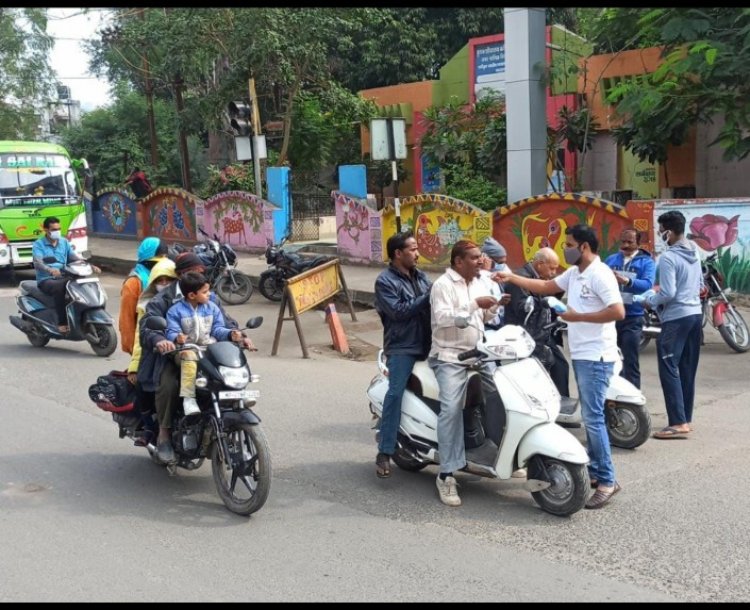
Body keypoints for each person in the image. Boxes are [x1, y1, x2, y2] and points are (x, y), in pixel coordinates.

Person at [496, 224, 625, 510]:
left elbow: (618, 311)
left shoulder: (599, 274)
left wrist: (577, 317)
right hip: (582, 354)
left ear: (583, 247)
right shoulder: (576, 273)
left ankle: (606, 480)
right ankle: (595, 472)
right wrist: (512, 276)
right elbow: (544, 286)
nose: (564, 248)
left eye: (568, 244)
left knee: (592, 418)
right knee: (593, 416)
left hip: (596, 356)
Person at [140, 251, 255, 463]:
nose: (203, 276)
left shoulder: (209, 299)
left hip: (207, 352)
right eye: (197, 272)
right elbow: (148, 327)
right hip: (173, 355)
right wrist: (162, 340)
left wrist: (238, 335)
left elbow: (223, 324)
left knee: (225, 376)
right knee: (169, 385)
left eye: (202, 272)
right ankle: (164, 435)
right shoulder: (165, 300)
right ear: (184, 275)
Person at [429, 240, 503, 507]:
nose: (480, 261)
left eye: (480, 257)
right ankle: (446, 474)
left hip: (479, 353)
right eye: (474, 258)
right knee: (450, 409)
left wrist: (493, 306)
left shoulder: (479, 282)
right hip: (449, 356)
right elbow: (445, 319)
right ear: (459, 261)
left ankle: (503, 455)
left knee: (501, 398)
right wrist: (474, 305)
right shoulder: (443, 286)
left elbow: (485, 319)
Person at [373, 231, 432, 479]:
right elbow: (398, 311)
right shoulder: (384, 281)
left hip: (430, 343)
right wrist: (428, 297)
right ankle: (385, 452)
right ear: (398, 253)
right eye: (413, 249)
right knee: (395, 393)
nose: (418, 254)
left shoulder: (422, 277)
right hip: (402, 347)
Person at [638, 211, 702, 440]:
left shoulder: (667, 258)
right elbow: (700, 283)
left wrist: (649, 300)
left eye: (660, 230)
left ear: (669, 232)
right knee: (686, 368)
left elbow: (668, 292)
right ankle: (685, 418)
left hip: (676, 318)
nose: (658, 234)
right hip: (695, 314)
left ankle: (677, 422)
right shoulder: (694, 250)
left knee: (669, 368)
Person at [165, 271, 243, 421]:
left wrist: (230, 334)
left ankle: (237, 394)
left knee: (230, 356)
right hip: (186, 350)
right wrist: (177, 337)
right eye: (205, 292)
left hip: (209, 349)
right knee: (189, 355)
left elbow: (217, 329)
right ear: (192, 295)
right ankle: (188, 398)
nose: (209, 294)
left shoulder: (212, 308)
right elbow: (171, 331)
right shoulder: (175, 311)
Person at [504, 247, 569, 397]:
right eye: (552, 268)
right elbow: (522, 309)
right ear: (540, 264)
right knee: (536, 375)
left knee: (561, 367)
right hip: (526, 336)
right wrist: (544, 301)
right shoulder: (520, 279)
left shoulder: (542, 279)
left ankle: (562, 405)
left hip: (542, 333)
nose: (554, 272)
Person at [126, 257, 178, 446]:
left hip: (182, 353)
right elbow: (141, 337)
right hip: (154, 354)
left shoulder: (191, 298)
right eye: (159, 281)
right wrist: (134, 366)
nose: (164, 285)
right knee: (150, 386)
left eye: (168, 280)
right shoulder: (148, 305)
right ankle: (153, 430)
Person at [604, 228, 656, 389]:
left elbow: (647, 284)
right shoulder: (611, 259)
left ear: (638, 244)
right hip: (611, 317)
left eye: (630, 242)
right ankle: (615, 396)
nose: (625, 245)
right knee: (612, 359)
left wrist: (626, 281)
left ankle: (633, 397)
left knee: (630, 360)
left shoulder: (646, 262)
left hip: (633, 317)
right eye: (623, 241)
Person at [32, 216, 101, 333]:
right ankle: (62, 323)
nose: (57, 231)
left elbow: (73, 258)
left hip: (64, 276)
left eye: (58, 229)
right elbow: (38, 263)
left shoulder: (64, 242)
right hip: (46, 279)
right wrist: (50, 270)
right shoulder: (39, 244)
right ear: (46, 230)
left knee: (82, 283)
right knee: (60, 288)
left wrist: (90, 265)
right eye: (54, 229)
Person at [119, 236, 168, 355]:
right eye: (160, 257)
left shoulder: (166, 277)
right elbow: (127, 318)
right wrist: (132, 347)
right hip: (142, 341)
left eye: (165, 257)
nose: (163, 260)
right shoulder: (134, 282)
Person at [478, 237, 510, 330]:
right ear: (486, 258)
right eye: (500, 262)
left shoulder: (503, 269)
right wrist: (484, 272)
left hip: (500, 321)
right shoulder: (475, 275)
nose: (502, 265)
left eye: (504, 262)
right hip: (485, 324)